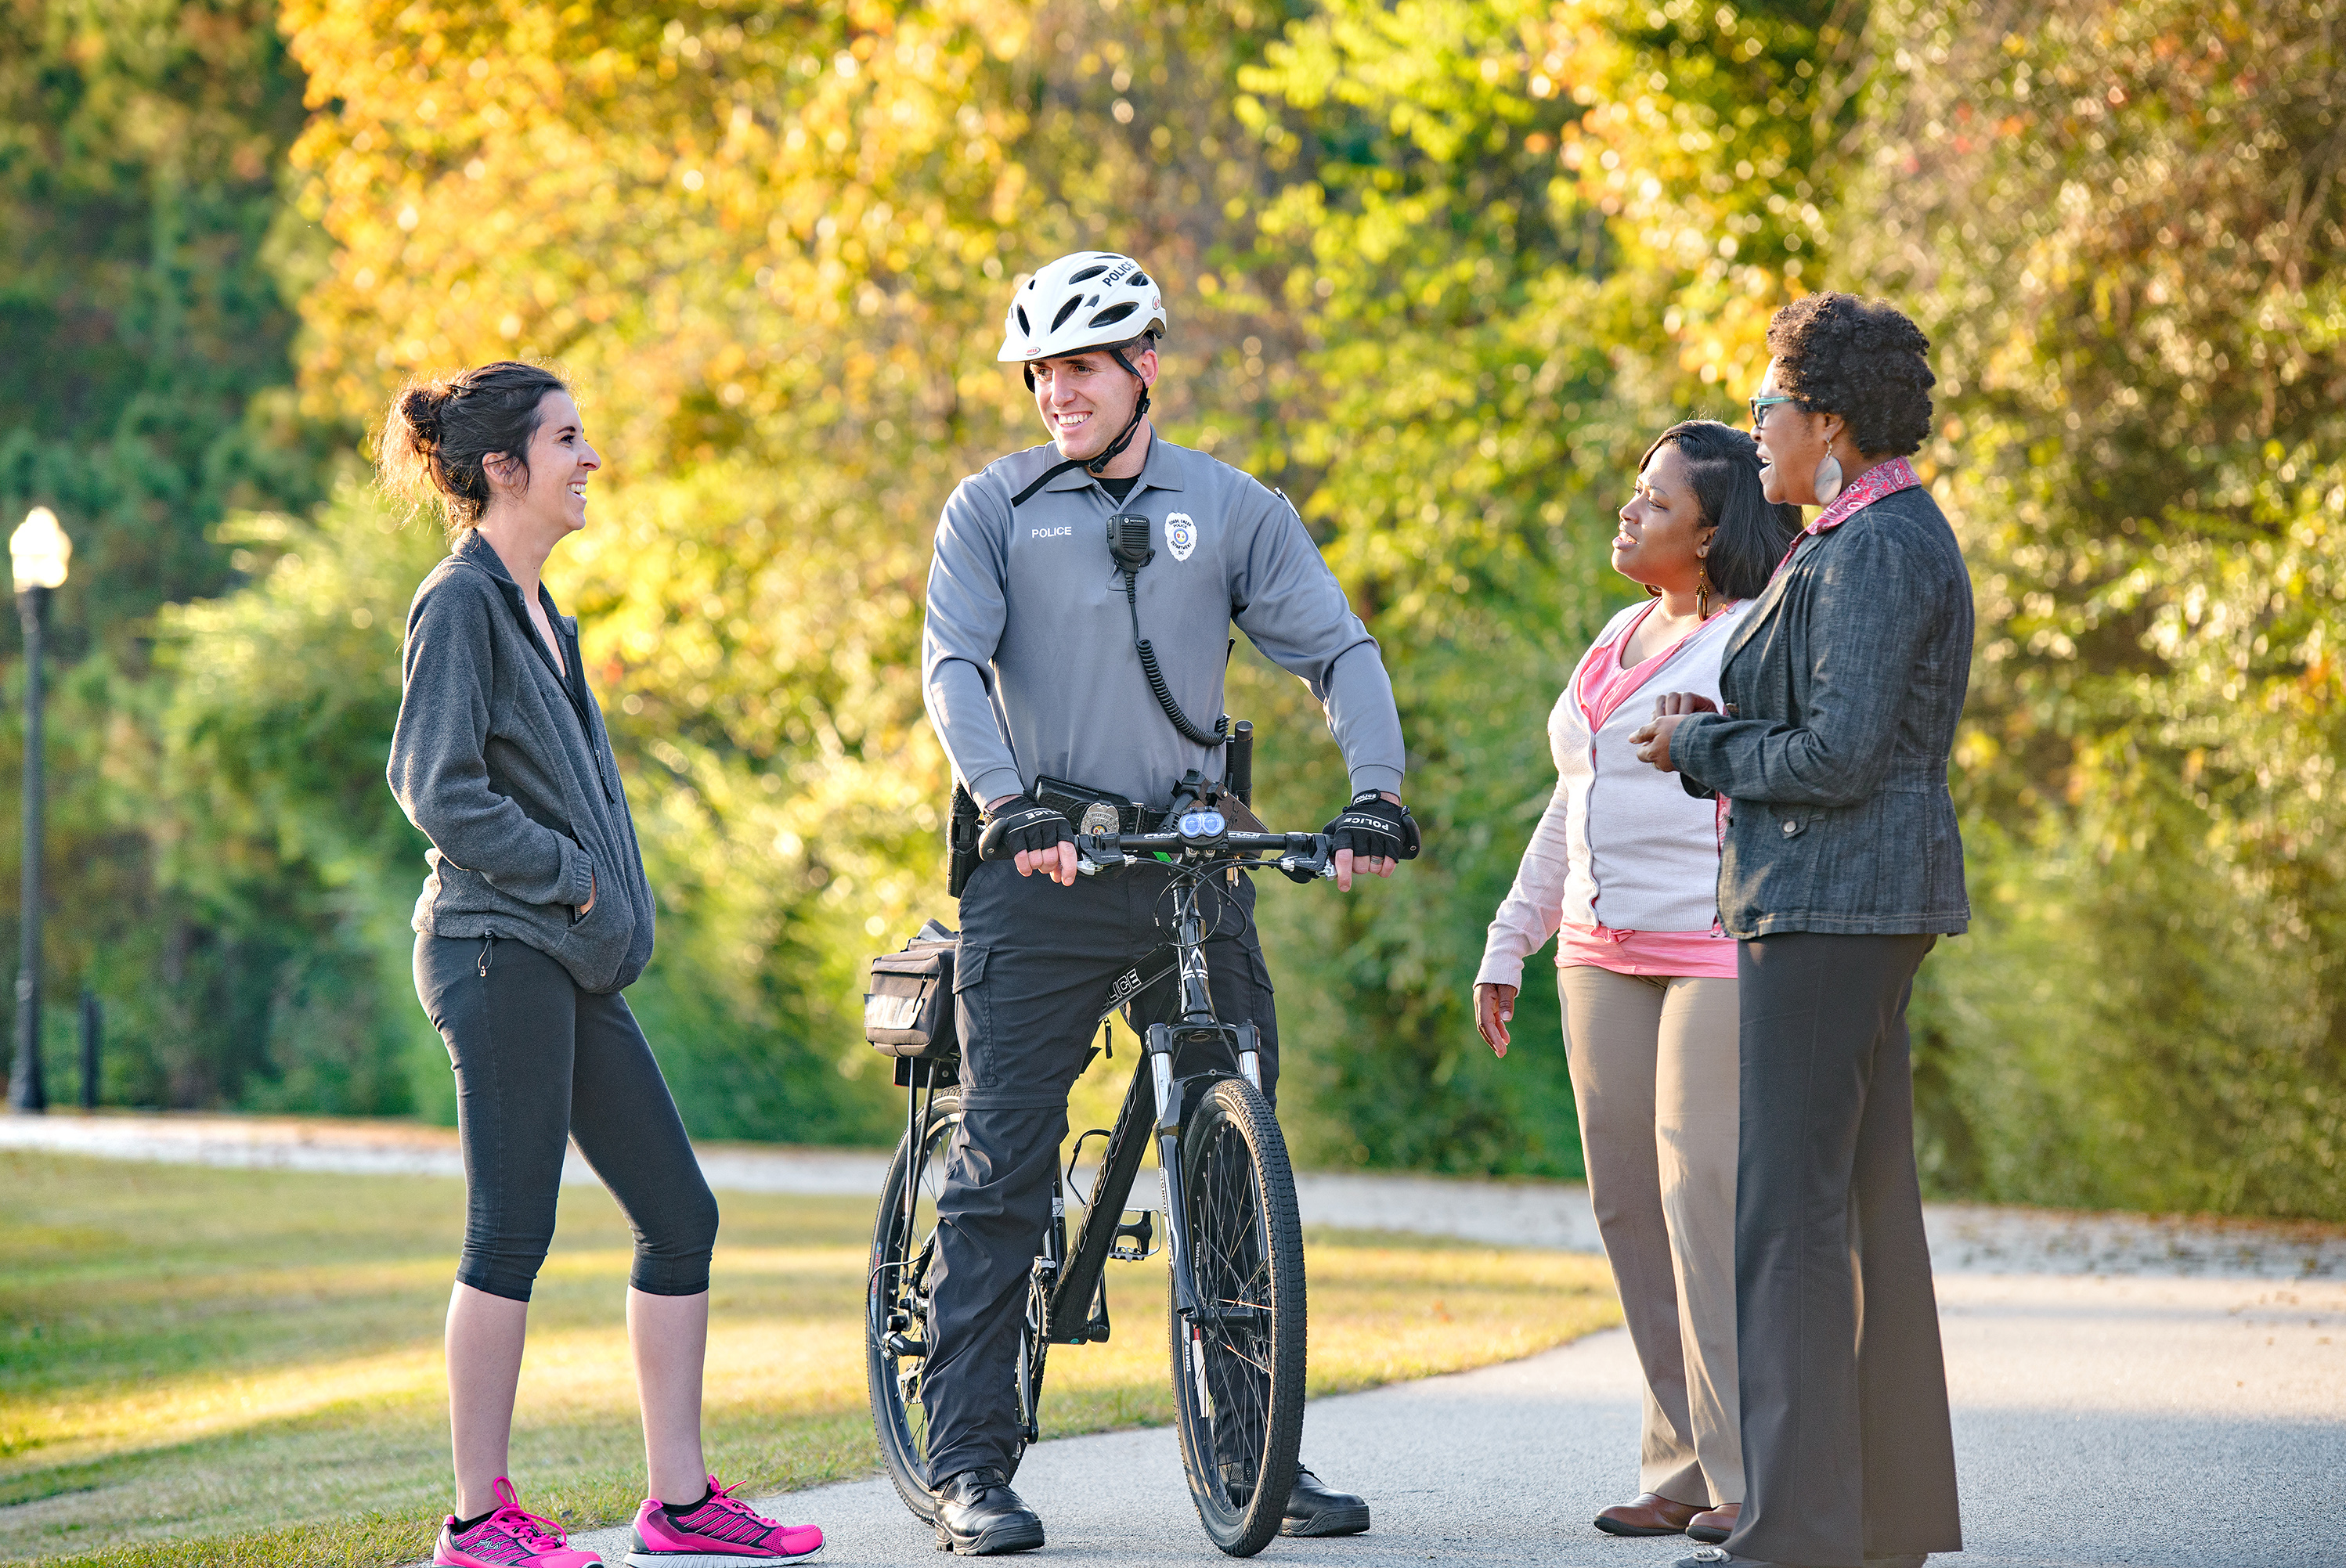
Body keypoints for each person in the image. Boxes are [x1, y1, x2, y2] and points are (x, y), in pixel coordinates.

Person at [918, 251, 1417, 1555]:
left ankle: (1258, 1453)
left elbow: (1337, 650)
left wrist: (1375, 793)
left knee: (1235, 1163)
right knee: (1006, 1163)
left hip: (1191, 868)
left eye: (1079, 367)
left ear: (1145, 366)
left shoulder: (1234, 507)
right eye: (1039, 371)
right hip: (1043, 871)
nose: (1053, 394)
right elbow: (954, 667)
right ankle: (969, 1460)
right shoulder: (991, 508)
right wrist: (1007, 800)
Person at [382, 362, 825, 1568]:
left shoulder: (540, 612)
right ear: (502, 469)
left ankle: (679, 1506)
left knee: (680, 1215)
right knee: (509, 1233)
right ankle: (478, 1522)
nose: (590, 460)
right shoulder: (461, 601)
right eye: (569, 439)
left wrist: (598, 901)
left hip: (565, 958)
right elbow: (433, 786)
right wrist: (573, 877)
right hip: (496, 950)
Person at [1628, 294, 1969, 1568]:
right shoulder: (1851, 538)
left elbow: (1836, 752)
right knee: (1854, 1206)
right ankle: (1875, 1519)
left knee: (1788, 1218)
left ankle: (1797, 1527)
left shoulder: (1879, 548)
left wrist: (1699, 744)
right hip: (1836, 900)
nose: (1759, 426)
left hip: (1836, 903)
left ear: (1827, 421)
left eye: (1770, 404)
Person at [1475, 421, 1797, 1548]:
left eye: (1654, 501)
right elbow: (1571, 799)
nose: (1630, 509)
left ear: (1710, 533)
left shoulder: (1753, 637)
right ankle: (1676, 1462)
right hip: (1595, 952)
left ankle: (1752, 1473)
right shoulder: (1617, 633)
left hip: (1713, 945)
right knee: (1626, 1209)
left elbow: (1777, 769)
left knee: (1699, 1199)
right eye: (1635, 491)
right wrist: (1509, 937)